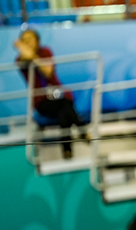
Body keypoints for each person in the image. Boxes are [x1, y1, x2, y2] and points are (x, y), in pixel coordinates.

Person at [14, 28, 86, 159]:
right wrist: (27, 53)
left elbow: (47, 72)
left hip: (59, 95)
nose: (28, 42)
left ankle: (67, 150)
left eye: (30, 39)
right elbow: (26, 58)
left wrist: (33, 57)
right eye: (24, 41)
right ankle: (82, 130)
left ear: (37, 40)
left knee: (64, 109)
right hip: (42, 101)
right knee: (64, 107)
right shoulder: (20, 59)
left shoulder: (45, 52)